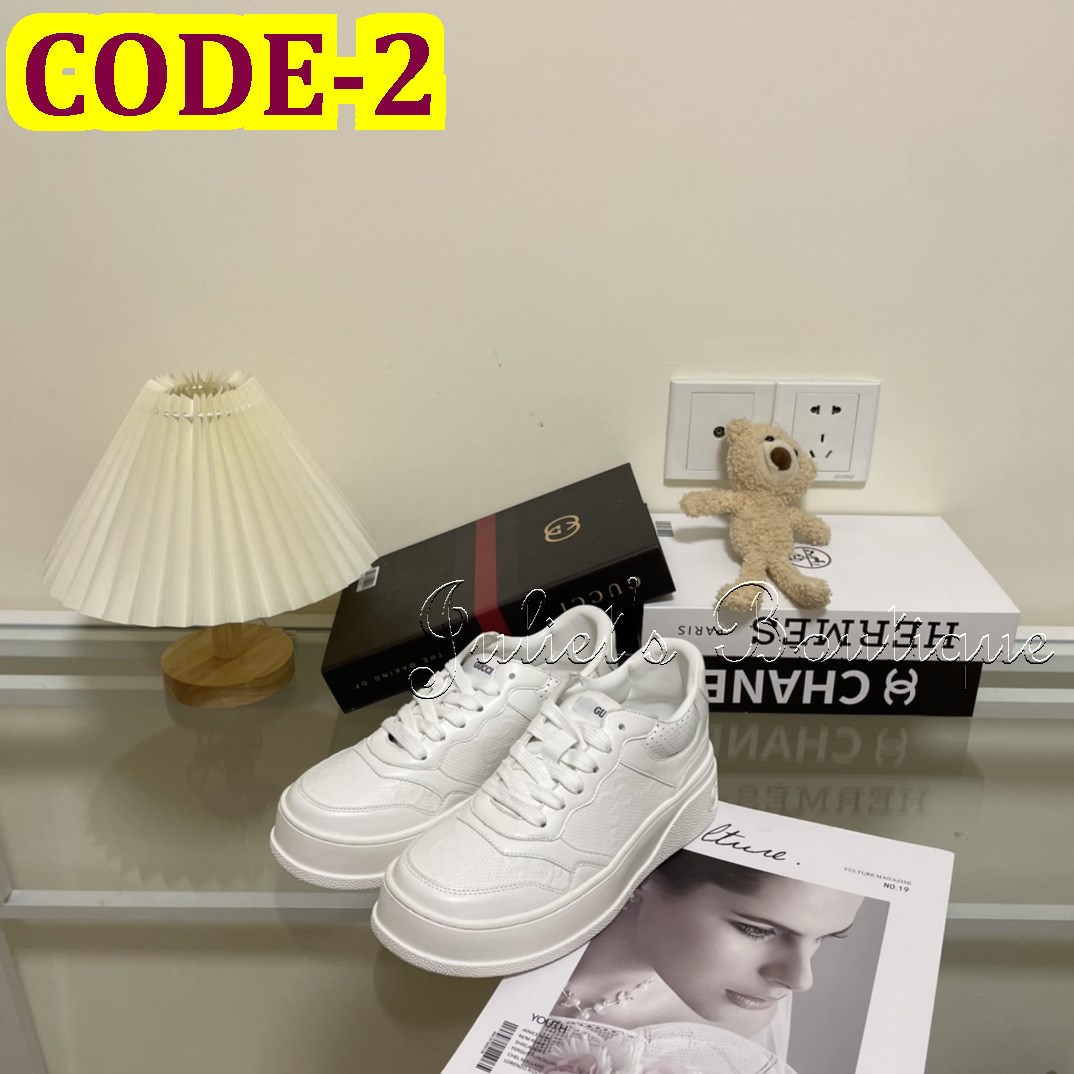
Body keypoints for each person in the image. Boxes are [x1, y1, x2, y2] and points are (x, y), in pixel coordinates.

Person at [534, 853, 864, 1074]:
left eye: (824, 937)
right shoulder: (518, 946)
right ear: (648, 872)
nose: (801, 980)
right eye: (757, 930)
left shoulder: (737, 1026)